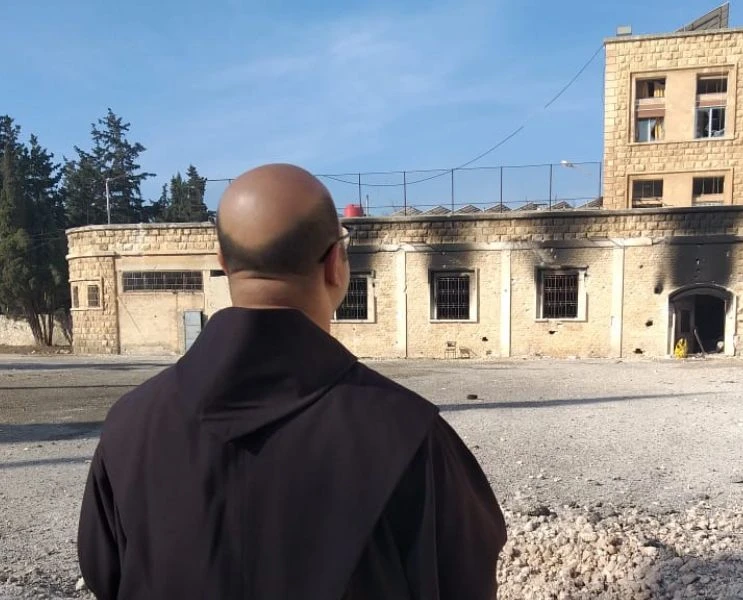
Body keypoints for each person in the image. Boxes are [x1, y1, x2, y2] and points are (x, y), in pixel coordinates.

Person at [77, 164, 507, 599]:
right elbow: (464, 580)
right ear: (336, 264)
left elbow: (104, 575)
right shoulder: (410, 436)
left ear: (223, 262)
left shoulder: (129, 426)